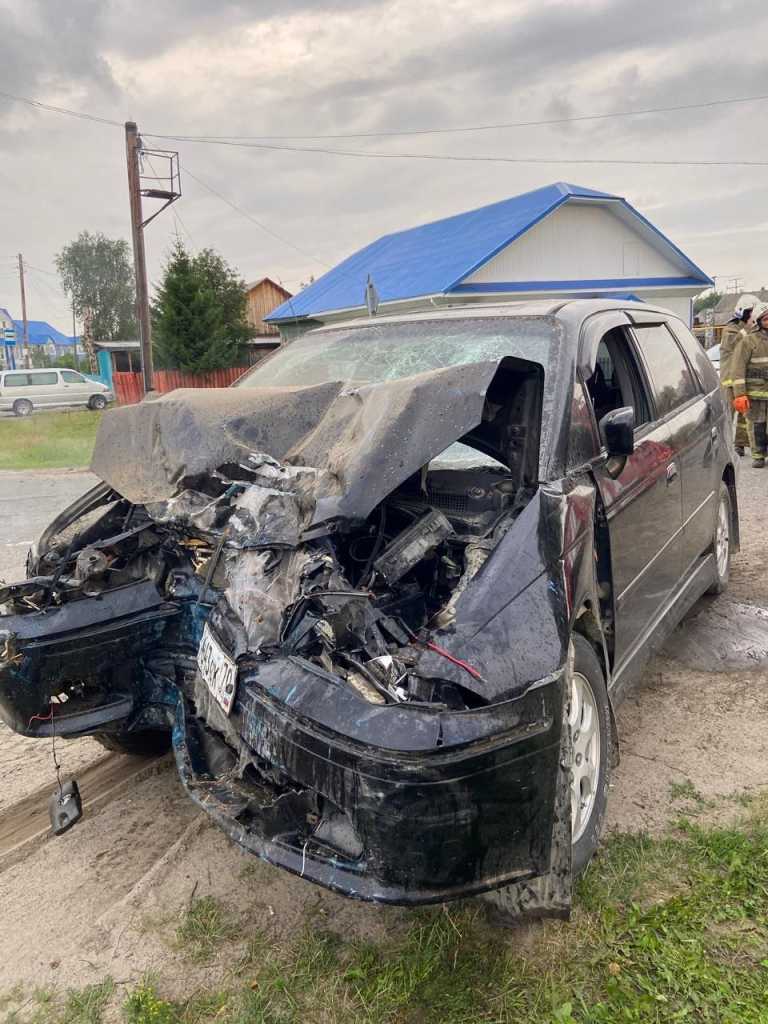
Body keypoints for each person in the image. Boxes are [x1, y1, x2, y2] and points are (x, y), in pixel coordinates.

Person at [731, 299, 768, 468]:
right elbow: (737, 368)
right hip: (755, 393)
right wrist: (740, 394)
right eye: (766, 318)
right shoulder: (748, 341)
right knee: (756, 425)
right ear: (758, 321)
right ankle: (758, 455)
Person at [720, 294, 758, 455]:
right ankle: (722, 446)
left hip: (742, 380)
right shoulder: (731, 328)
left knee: (744, 415)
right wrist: (747, 329)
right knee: (728, 415)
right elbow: (733, 345)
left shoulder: (751, 330)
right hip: (729, 381)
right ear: (744, 312)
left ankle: (740, 444)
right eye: (751, 312)